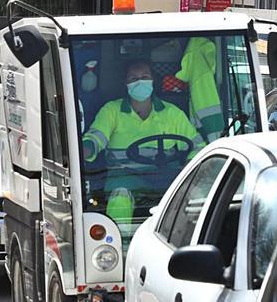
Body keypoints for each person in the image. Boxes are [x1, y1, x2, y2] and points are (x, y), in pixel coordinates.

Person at [83, 59, 201, 223]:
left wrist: (189, 169)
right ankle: (120, 243)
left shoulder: (173, 113)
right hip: (124, 177)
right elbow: (96, 138)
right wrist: (86, 148)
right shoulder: (111, 110)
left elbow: (198, 146)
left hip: (166, 178)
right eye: (133, 78)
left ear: (153, 80)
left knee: (195, 197)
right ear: (125, 83)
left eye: (145, 76)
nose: (140, 82)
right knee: (120, 198)